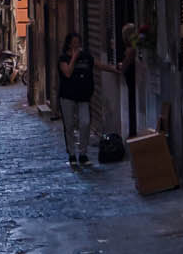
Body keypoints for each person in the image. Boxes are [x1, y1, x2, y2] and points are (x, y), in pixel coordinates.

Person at [57, 32, 94, 168]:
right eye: (74, 42)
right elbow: (67, 73)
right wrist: (74, 58)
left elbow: (96, 64)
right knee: (70, 125)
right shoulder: (63, 58)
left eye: (78, 42)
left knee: (85, 123)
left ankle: (83, 153)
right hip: (67, 96)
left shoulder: (86, 56)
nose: (77, 45)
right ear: (68, 44)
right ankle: (72, 154)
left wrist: (113, 69)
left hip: (83, 96)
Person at [100, 23, 138, 138]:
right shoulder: (132, 48)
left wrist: (120, 66)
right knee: (132, 102)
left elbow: (125, 66)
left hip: (131, 78)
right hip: (130, 78)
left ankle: (132, 132)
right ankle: (132, 131)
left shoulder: (131, 49)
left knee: (132, 103)